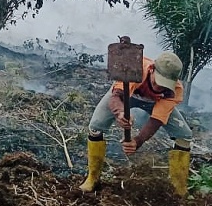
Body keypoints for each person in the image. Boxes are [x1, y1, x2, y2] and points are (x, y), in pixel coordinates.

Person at [79, 37, 192, 194]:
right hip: (125, 95)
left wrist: (138, 141)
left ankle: (179, 188)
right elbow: (116, 96)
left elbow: (157, 118)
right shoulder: (134, 68)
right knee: (95, 126)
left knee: (184, 135)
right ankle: (92, 178)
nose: (160, 87)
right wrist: (120, 114)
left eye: (165, 85)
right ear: (152, 69)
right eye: (158, 82)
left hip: (154, 102)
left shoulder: (175, 91)